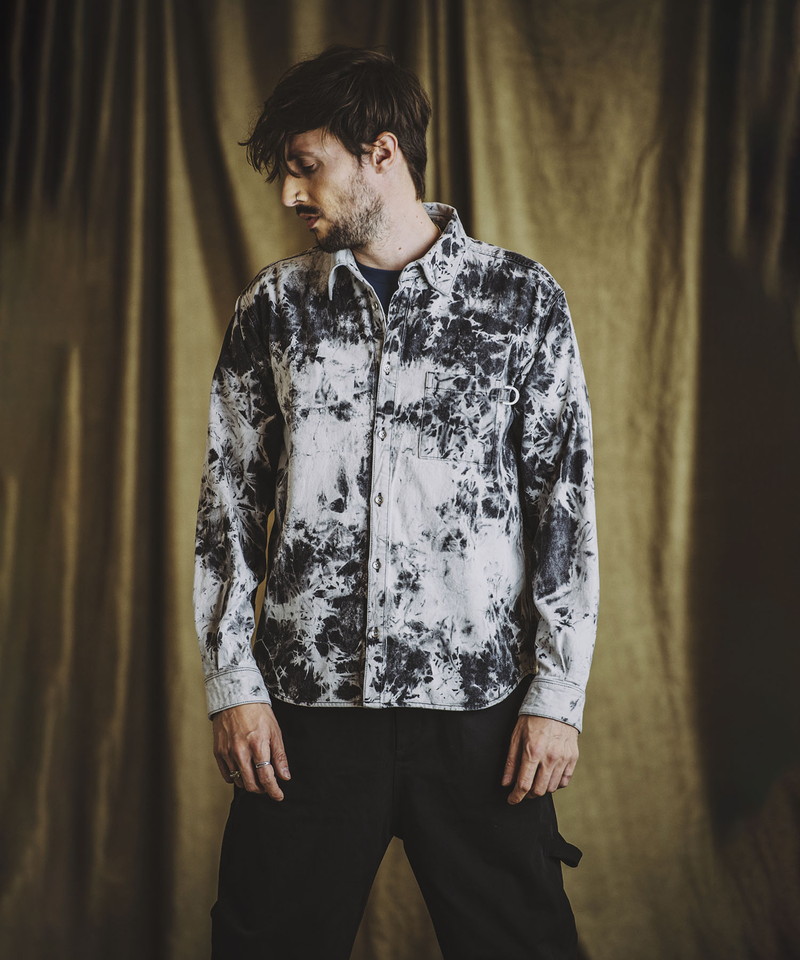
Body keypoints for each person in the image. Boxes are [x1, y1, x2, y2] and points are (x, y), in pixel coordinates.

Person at [193, 44, 599, 960]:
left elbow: (564, 510)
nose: (290, 195)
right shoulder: (272, 309)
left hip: (482, 715)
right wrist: (232, 685)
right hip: (303, 717)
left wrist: (558, 696)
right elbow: (228, 507)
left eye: (307, 167)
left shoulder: (521, 301)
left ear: (382, 153)